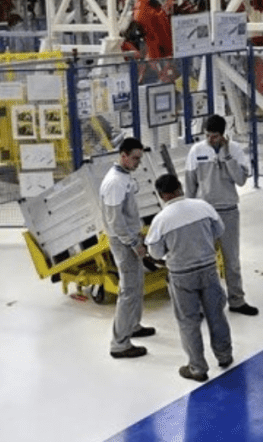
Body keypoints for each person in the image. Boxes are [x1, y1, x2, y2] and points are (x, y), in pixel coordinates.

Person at [145, 174, 232, 382]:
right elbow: (218, 230)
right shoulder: (203, 207)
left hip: (181, 275)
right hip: (208, 269)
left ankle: (197, 368)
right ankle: (224, 356)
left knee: (188, 322)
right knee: (216, 314)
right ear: (180, 187)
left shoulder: (161, 220)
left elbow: (155, 252)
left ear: (162, 195)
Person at [185, 114, 259, 316]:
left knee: (231, 259)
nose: (210, 139)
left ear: (223, 135)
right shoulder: (196, 151)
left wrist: (226, 156)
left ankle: (237, 300)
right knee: (204, 261)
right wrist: (188, 213)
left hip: (228, 212)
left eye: (215, 136)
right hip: (203, 213)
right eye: (207, 135)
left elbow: (240, 180)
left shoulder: (235, 150)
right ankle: (204, 305)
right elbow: (190, 184)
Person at [99, 137, 156, 359]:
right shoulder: (115, 182)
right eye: (135, 158)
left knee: (136, 285)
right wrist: (134, 244)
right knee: (128, 291)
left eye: (139, 158)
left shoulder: (124, 176)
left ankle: (133, 325)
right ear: (123, 156)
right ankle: (119, 344)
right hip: (124, 243)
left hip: (130, 238)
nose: (138, 163)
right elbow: (115, 222)